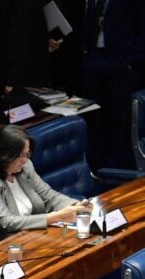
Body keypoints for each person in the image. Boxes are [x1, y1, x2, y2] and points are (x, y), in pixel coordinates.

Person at [0, 125, 86, 248]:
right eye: (21, 155)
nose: (25, 159)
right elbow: (7, 222)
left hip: (19, 243)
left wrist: (76, 206)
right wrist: (55, 217)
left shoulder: (25, 167)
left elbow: (48, 196)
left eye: (28, 154)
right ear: (4, 155)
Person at [81, 0, 144, 169]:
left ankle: (122, 172)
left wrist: (132, 61)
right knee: (94, 118)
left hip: (122, 59)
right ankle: (97, 169)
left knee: (120, 121)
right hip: (95, 58)